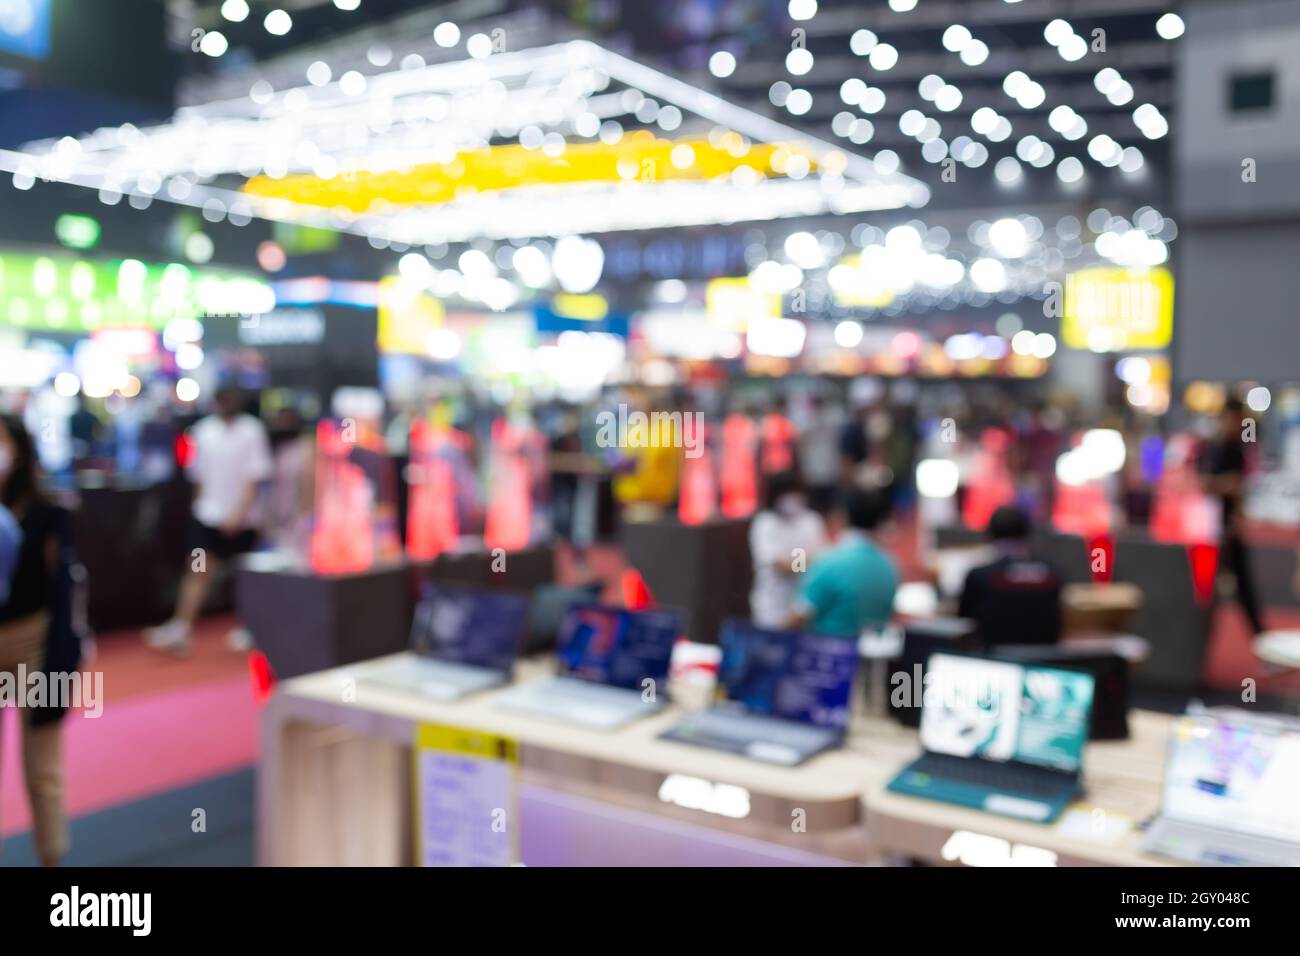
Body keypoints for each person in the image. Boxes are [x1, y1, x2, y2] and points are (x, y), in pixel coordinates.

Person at [145, 386, 272, 656]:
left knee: (245, 576)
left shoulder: (252, 431)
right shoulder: (203, 431)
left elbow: (255, 477)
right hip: (208, 518)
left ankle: (250, 628)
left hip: (244, 521)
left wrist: (239, 513)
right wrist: (201, 508)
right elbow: (198, 477)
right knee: (198, 568)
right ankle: (181, 628)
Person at [0, 415, 72, 866]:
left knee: (43, 769)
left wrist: (60, 664)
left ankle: (52, 859)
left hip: (34, 646)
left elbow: (64, 591)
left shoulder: (48, 512)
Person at [788, 487, 897, 638]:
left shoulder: (829, 563)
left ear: (842, 515)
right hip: (870, 654)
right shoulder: (889, 565)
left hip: (829, 654)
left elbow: (798, 617)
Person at [1199, 397, 1265, 637]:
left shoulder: (1239, 446)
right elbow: (1204, 484)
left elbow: (1240, 485)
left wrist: (1224, 487)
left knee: (1243, 587)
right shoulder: (1213, 446)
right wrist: (1223, 485)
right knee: (1206, 589)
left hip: (1229, 528)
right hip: (1208, 527)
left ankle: (1260, 638)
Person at [958, 505, 1062, 648]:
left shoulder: (979, 576)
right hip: (1044, 660)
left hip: (993, 661)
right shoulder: (1053, 573)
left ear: (989, 534)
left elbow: (963, 623)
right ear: (1027, 533)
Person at [748, 471, 826, 630]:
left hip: (805, 609)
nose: (791, 497)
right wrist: (809, 562)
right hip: (770, 610)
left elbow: (823, 562)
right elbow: (780, 566)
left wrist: (798, 563)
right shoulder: (765, 523)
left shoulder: (812, 521)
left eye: (795, 491)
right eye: (786, 492)